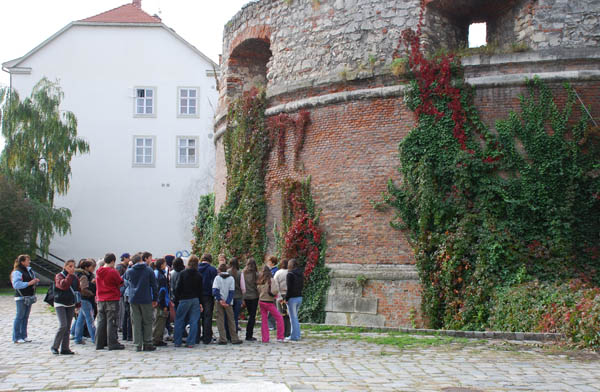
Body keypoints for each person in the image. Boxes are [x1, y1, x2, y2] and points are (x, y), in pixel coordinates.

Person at [124, 252, 158, 351]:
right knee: (147, 321)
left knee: (136, 322)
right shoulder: (148, 270)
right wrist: (155, 298)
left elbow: (124, 281)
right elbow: (154, 285)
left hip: (133, 299)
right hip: (146, 298)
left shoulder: (130, 271)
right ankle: (147, 342)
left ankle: (137, 344)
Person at [95, 253, 124, 350]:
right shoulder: (113, 271)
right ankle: (112, 343)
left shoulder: (98, 271)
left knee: (101, 322)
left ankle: (99, 343)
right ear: (112, 261)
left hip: (100, 298)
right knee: (111, 321)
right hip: (111, 298)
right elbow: (120, 282)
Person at [51, 259, 80, 355]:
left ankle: (65, 348)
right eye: (70, 266)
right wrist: (70, 276)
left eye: (73, 266)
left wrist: (78, 305)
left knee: (67, 327)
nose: (72, 268)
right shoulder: (59, 276)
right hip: (60, 303)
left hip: (70, 303)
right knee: (63, 325)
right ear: (65, 266)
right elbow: (63, 286)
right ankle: (54, 346)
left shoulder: (75, 278)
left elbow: (77, 291)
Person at [173, 255, 203, 348]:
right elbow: (200, 290)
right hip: (195, 299)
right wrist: (200, 302)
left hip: (184, 299)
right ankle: (191, 342)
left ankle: (177, 341)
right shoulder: (199, 275)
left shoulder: (183, 273)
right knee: (194, 321)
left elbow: (177, 288)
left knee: (179, 320)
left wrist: (177, 298)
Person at [11, 254, 40, 344]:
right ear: (22, 262)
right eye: (27, 260)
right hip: (21, 297)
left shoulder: (30, 270)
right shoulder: (17, 272)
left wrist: (35, 281)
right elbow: (16, 285)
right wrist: (29, 283)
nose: (29, 262)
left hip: (29, 296)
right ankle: (16, 337)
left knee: (25, 317)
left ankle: (24, 335)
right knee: (19, 317)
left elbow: (32, 280)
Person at [212, 263, 242, 345]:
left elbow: (215, 290)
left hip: (219, 301)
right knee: (231, 320)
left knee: (220, 320)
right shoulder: (231, 278)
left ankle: (223, 338)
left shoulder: (217, 278)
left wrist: (220, 300)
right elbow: (232, 291)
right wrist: (227, 302)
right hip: (229, 302)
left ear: (219, 270)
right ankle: (234, 338)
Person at [257, 265, 285, 343]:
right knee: (279, 318)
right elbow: (275, 290)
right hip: (269, 302)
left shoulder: (260, 280)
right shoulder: (271, 280)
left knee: (264, 320)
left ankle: (265, 338)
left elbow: (258, 290)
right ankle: (280, 337)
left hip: (261, 301)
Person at [73, 259, 97, 345]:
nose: (93, 269)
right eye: (92, 267)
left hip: (81, 299)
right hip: (85, 299)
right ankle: (95, 338)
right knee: (89, 319)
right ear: (86, 267)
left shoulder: (79, 274)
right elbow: (83, 289)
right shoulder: (83, 276)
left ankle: (77, 338)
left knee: (81, 319)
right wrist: (91, 293)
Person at [198, 253, 217, 344]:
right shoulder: (212, 270)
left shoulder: (196, 268)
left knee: (197, 316)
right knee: (207, 316)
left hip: (197, 294)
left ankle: (196, 336)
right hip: (208, 295)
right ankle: (207, 337)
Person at [225, 257, 245, 339]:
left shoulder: (227, 272)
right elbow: (243, 287)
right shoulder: (240, 273)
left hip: (229, 297)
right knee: (235, 317)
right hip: (238, 296)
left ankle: (227, 334)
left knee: (228, 316)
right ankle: (234, 334)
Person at [285, 258, 304, 342]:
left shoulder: (290, 274)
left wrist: (286, 298)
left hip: (292, 298)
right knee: (295, 317)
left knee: (293, 318)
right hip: (299, 297)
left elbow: (289, 288)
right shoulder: (300, 273)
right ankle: (297, 334)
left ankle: (294, 336)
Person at [152, 258, 169, 347]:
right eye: (165, 264)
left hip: (155, 300)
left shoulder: (155, 273)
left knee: (156, 320)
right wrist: (164, 305)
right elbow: (162, 291)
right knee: (160, 321)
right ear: (161, 265)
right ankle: (156, 339)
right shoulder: (161, 276)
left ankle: (156, 338)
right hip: (160, 301)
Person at [242, 258, 259, 342]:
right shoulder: (256, 274)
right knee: (252, 316)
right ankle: (249, 335)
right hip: (254, 296)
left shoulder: (243, 273)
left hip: (245, 296)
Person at [273, 259, 291, 338]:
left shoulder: (278, 273)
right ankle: (288, 332)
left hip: (281, 295)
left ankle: (282, 332)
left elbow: (275, 286)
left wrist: (279, 297)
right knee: (288, 315)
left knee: (281, 315)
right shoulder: (290, 273)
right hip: (289, 295)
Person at [116, 253, 130, 338]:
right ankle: (120, 326)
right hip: (121, 291)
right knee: (121, 311)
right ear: (124, 258)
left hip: (124, 291)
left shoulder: (125, 267)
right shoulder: (120, 267)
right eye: (128, 258)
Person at [266, 256, 279, 331]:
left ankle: (271, 325)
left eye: (269, 261)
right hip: (269, 292)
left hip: (273, 292)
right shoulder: (270, 270)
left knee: (272, 309)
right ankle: (270, 324)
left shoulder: (275, 271)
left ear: (273, 263)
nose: (268, 263)